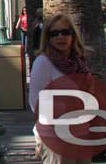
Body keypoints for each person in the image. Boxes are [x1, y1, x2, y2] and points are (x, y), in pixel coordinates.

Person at [28, 13, 95, 164]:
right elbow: (35, 103)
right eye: (54, 34)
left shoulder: (79, 62)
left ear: (73, 35)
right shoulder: (43, 62)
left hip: (81, 134)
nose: (60, 37)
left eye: (65, 32)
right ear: (47, 38)